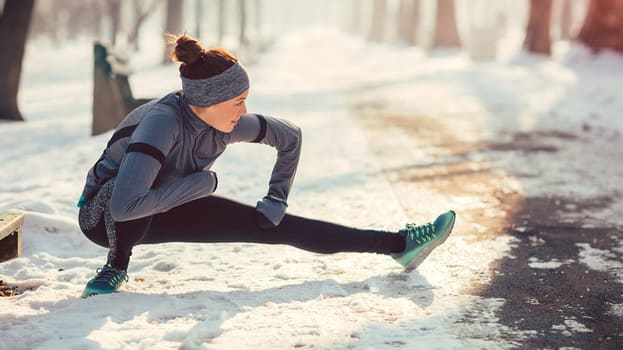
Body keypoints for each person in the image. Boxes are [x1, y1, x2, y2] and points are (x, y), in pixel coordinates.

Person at [77, 34, 456, 298]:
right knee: (132, 191)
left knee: (275, 227)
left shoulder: (222, 122)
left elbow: (289, 136)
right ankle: (116, 266)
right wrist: (202, 184)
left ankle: (398, 244)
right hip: (105, 217)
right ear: (208, 101)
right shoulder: (162, 123)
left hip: (164, 201)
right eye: (238, 101)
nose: (244, 111)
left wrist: (276, 199)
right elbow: (123, 205)